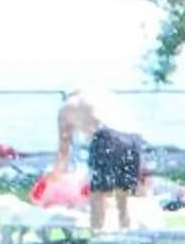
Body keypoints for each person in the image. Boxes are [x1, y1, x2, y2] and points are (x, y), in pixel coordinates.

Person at [53, 91, 145, 235]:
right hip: (133, 137)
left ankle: (97, 234)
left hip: (107, 134)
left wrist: (55, 174)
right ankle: (125, 229)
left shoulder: (66, 107)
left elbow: (64, 147)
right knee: (123, 190)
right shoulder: (101, 97)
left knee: (98, 193)